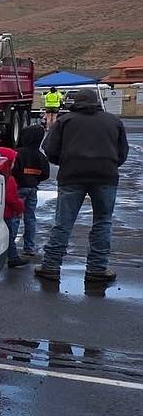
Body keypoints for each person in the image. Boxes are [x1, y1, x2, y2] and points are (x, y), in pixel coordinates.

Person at [34, 88, 129, 283]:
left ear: (75, 102)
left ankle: (51, 266)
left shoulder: (65, 121)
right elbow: (122, 153)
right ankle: (97, 268)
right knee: (103, 222)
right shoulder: (113, 121)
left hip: (72, 175)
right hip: (105, 176)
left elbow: (50, 149)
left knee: (63, 223)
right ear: (97, 101)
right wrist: (108, 164)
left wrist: (66, 162)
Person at [12, 124, 50, 257]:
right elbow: (45, 174)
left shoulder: (18, 153)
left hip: (18, 188)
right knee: (30, 218)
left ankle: (11, 246)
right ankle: (29, 247)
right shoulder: (40, 156)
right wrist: (35, 179)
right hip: (32, 189)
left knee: (15, 217)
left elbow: (13, 170)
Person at [0, 147, 27, 268]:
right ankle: (13, 258)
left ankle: (12, 257)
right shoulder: (9, 179)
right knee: (9, 237)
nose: (14, 164)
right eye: (13, 161)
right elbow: (12, 199)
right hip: (7, 213)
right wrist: (20, 207)